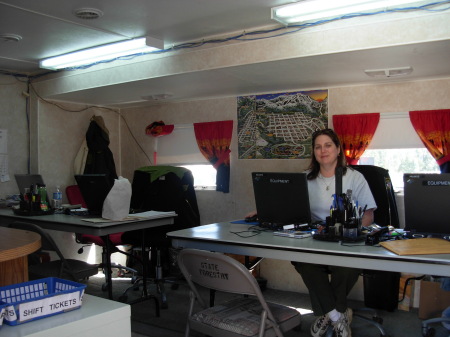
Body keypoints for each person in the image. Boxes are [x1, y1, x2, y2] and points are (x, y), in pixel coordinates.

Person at [246, 128, 376, 337]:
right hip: (313, 238)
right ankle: (337, 315)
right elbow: (287, 206)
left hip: (344, 238)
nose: (323, 150)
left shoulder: (354, 178)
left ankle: (328, 313)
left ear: (337, 148)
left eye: (327, 145)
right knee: (304, 263)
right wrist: (263, 211)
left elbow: (368, 214)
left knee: (347, 267)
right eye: (318, 147)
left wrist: (354, 229)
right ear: (313, 152)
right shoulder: (304, 178)